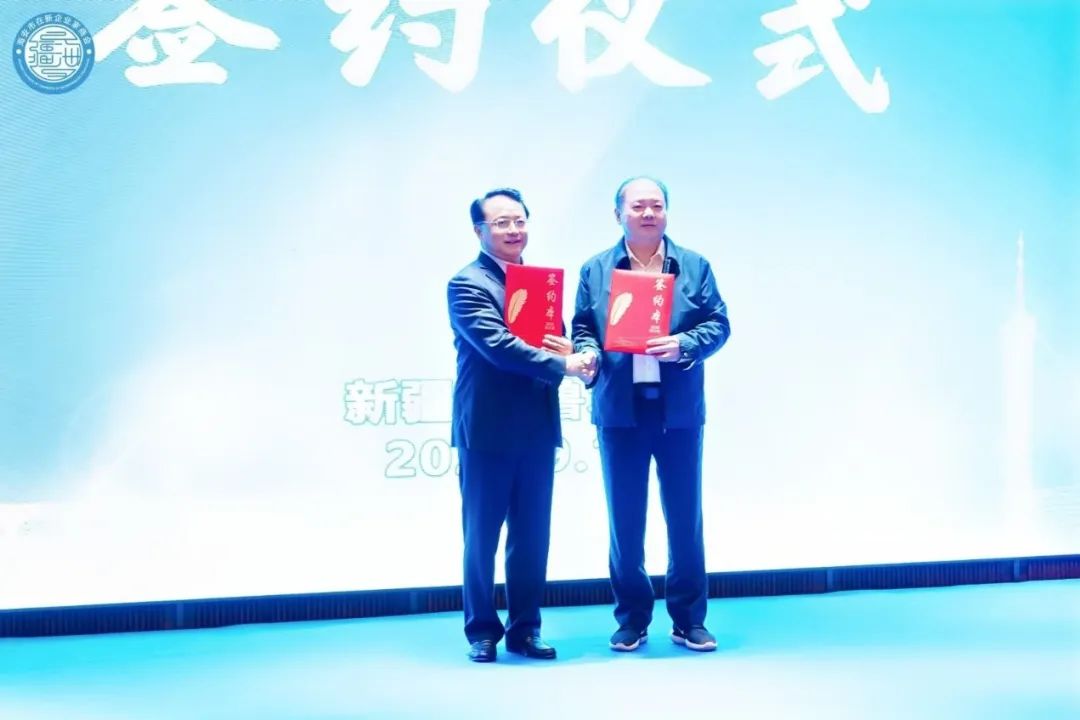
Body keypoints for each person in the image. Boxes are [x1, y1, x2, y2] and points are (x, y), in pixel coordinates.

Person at [572, 176, 730, 652]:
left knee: (685, 518)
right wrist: (587, 353)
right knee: (625, 520)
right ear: (618, 213)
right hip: (620, 409)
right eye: (638, 206)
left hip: (677, 409)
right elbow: (582, 327)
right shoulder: (596, 269)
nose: (648, 213)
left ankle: (688, 619)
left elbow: (718, 323)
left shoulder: (694, 266)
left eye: (656, 206)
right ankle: (632, 619)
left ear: (666, 212)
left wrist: (685, 344)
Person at [448, 187, 595, 663]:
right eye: (501, 223)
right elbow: (497, 345)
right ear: (479, 230)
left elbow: (551, 341)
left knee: (532, 536)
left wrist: (571, 351)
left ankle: (525, 628)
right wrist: (564, 365)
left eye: (519, 221)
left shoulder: (539, 282)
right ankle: (481, 630)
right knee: (481, 537)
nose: (513, 230)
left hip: (535, 424)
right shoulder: (467, 283)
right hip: (486, 429)